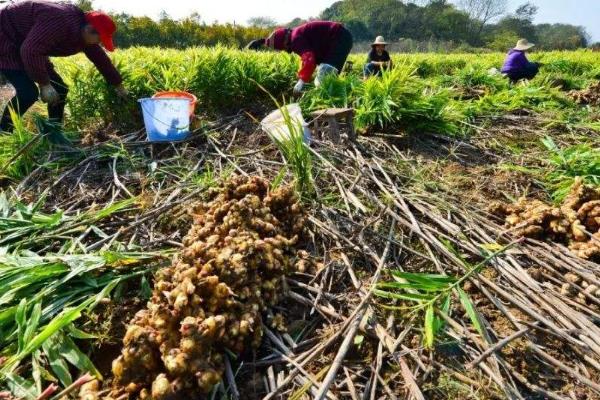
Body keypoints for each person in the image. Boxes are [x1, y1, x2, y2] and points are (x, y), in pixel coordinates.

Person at [0, 0, 128, 133]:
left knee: (59, 89)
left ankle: (54, 132)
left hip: (27, 41)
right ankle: (4, 132)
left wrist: (118, 85)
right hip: (5, 34)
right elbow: (30, 50)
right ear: (89, 29)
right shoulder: (60, 22)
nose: (100, 43)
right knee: (28, 93)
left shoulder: (84, 33)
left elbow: (101, 59)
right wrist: (44, 84)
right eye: (100, 39)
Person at [263, 21, 353, 95]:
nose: (284, 50)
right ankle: (342, 94)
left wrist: (302, 80)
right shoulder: (296, 34)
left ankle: (337, 99)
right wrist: (303, 77)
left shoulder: (295, 39)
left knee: (322, 81)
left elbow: (309, 59)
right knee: (326, 78)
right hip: (340, 37)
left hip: (339, 37)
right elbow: (307, 59)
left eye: (281, 48)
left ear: (283, 43)